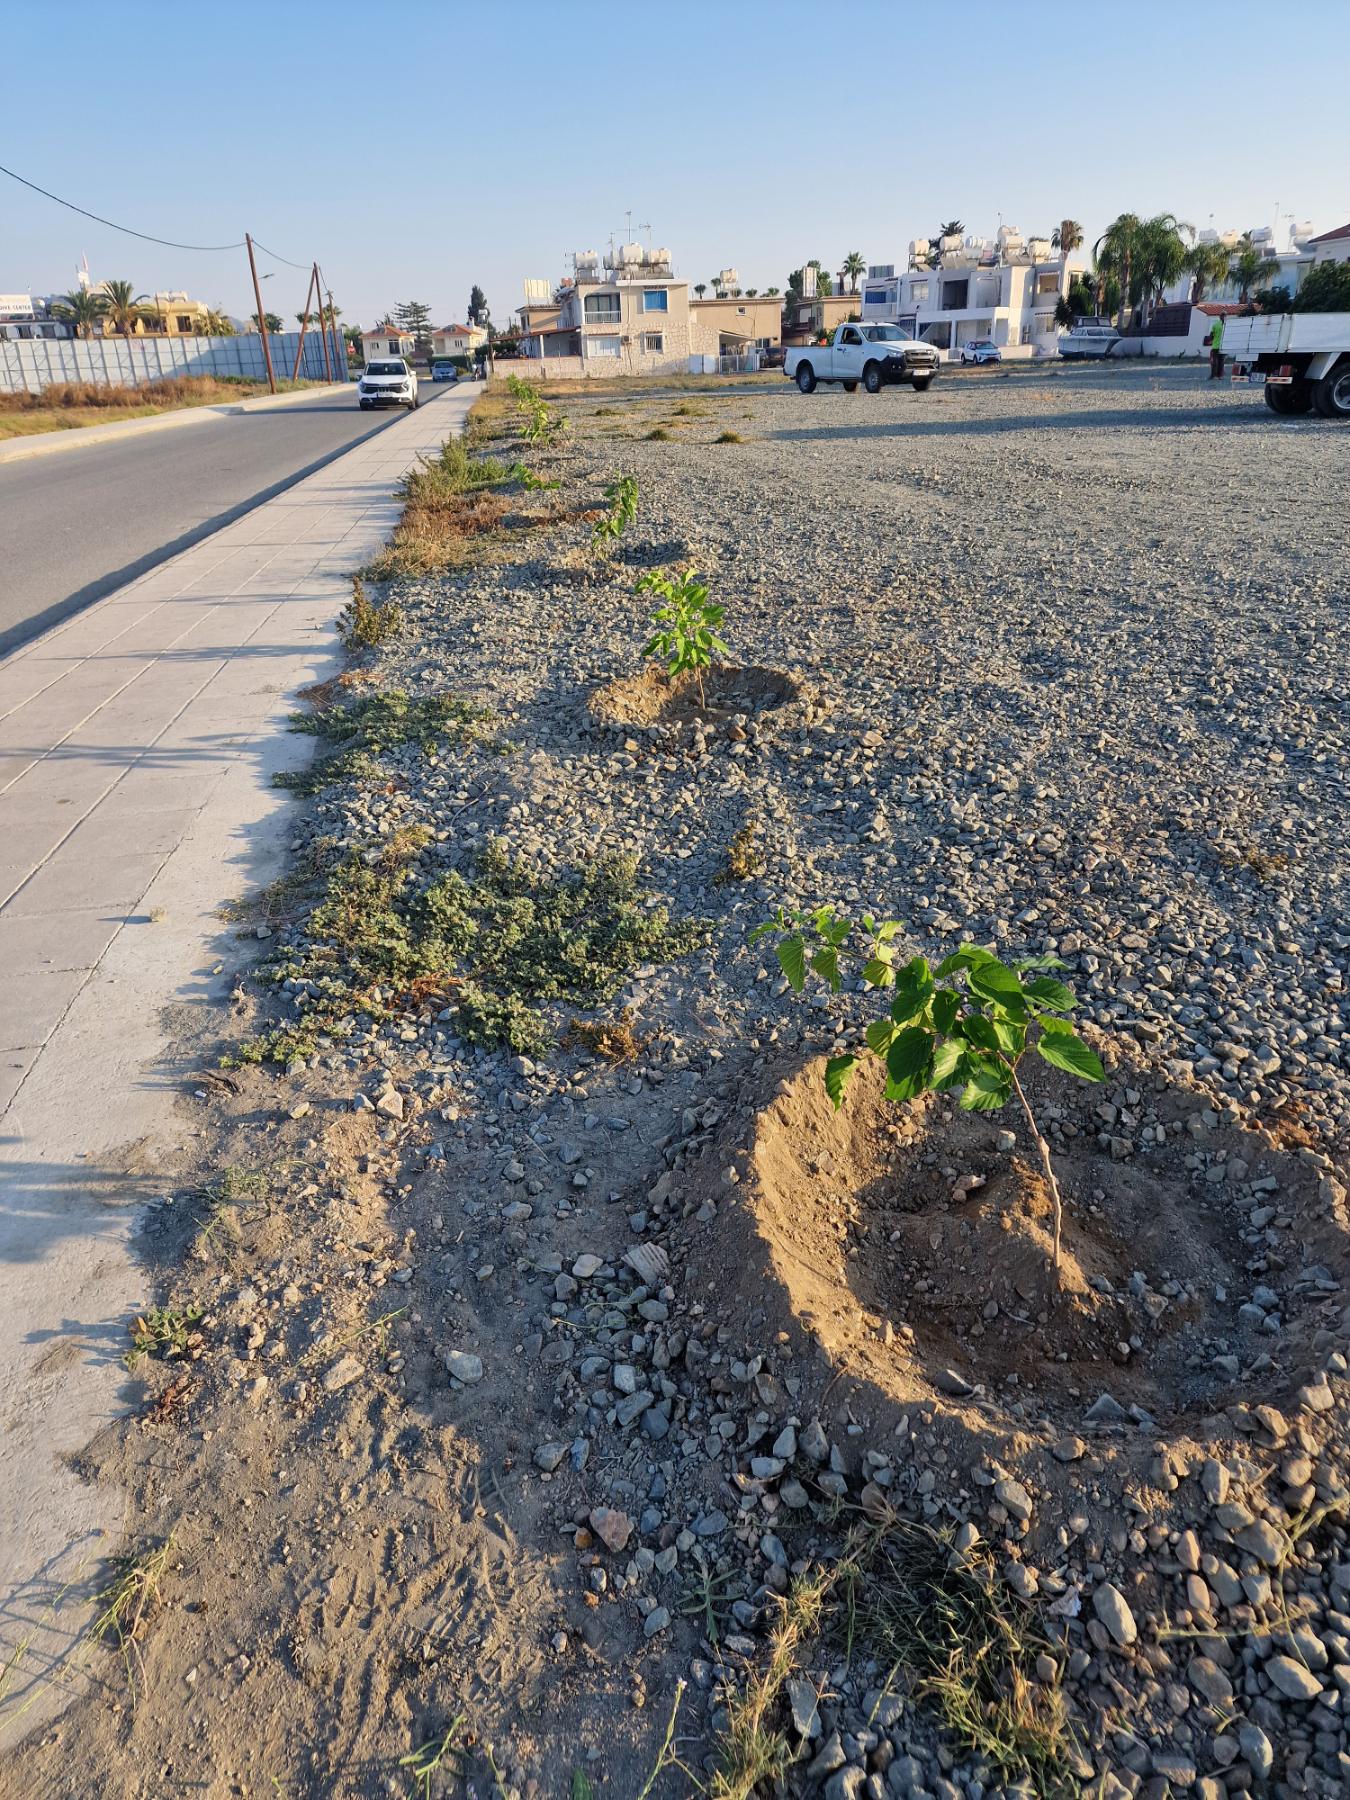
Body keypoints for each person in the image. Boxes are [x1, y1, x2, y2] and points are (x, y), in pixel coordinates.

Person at [1208, 315, 1225, 381]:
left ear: (1220, 317)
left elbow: (1211, 335)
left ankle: (1213, 375)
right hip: (1223, 346)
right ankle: (1220, 376)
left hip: (1215, 346)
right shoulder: (1226, 325)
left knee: (1214, 361)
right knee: (1221, 362)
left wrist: (1210, 340)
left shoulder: (1215, 324)